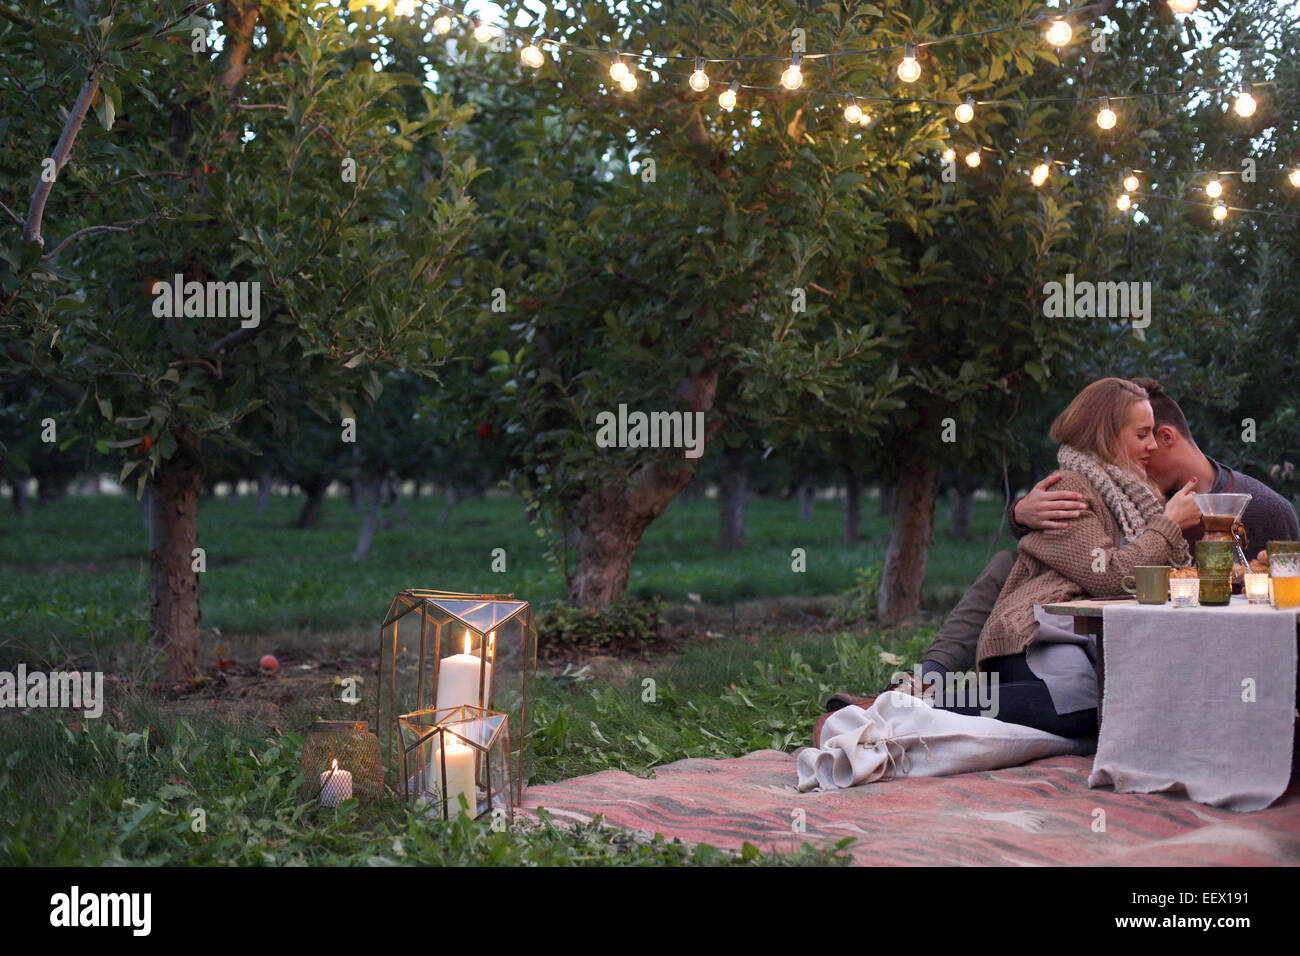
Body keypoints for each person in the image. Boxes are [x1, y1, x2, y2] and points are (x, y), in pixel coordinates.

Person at [824, 376, 1299, 714]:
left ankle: (929, 691)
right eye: (1140, 435)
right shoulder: (1111, 490)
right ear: (1109, 438)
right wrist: (1020, 513)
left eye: (1153, 435)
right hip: (1073, 626)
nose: (1149, 448)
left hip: (1171, 637)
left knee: (1098, 706)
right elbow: (1100, 564)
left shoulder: (1257, 508)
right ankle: (922, 692)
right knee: (1012, 577)